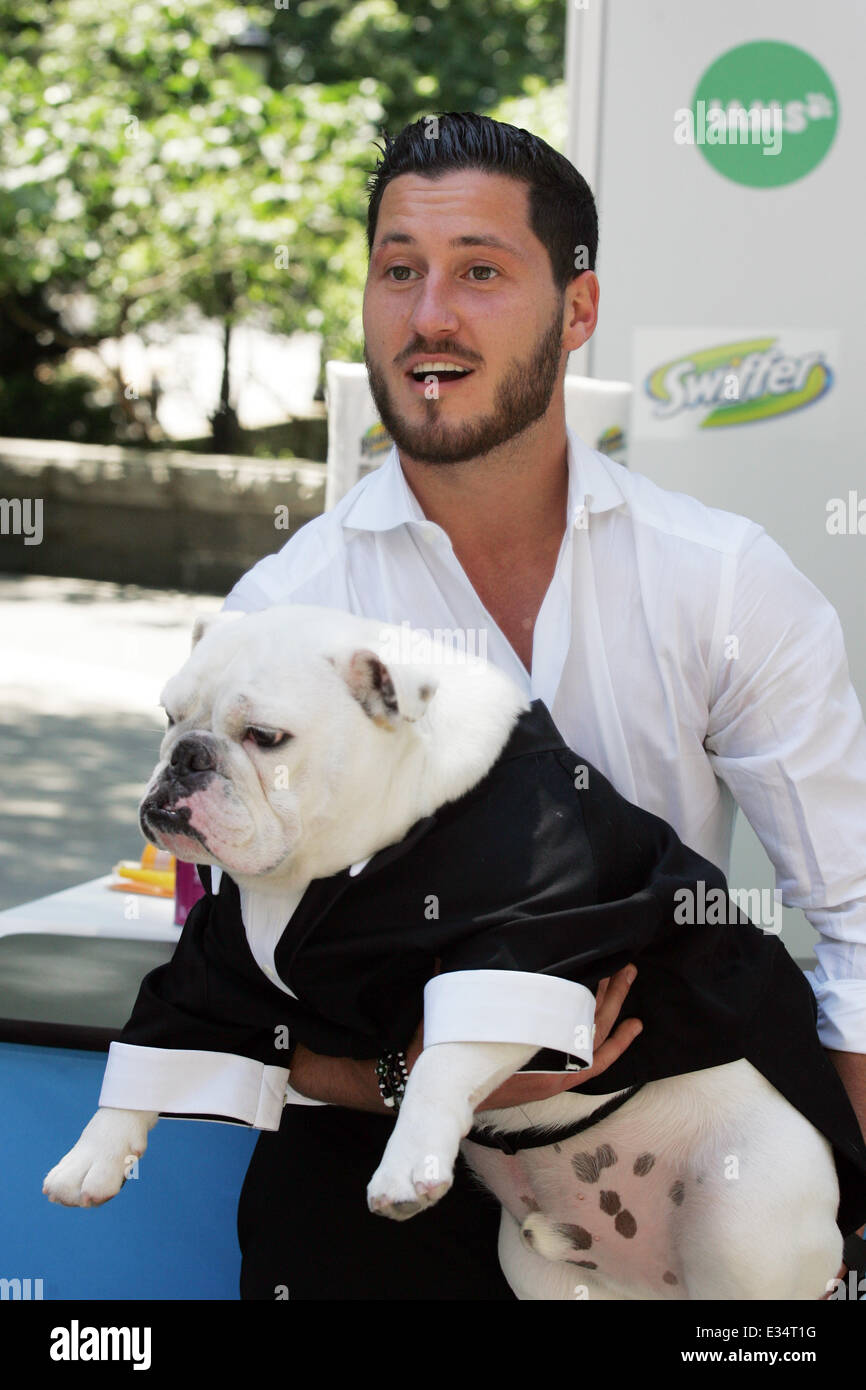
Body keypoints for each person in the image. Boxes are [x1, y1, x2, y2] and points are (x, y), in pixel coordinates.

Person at [224, 112, 866, 1300]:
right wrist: (410, 1076)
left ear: (576, 311)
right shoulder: (286, 608)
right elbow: (224, 981)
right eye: (397, 270)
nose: (427, 317)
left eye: (479, 270)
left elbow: (855, 911)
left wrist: (838, 1209)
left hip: (673, 1130)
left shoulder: (714, 577)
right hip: (377, 1162)